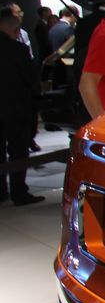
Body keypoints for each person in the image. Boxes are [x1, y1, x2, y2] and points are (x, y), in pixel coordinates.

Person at [0, 12, 45, 205]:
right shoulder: (18, 49)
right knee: (18, 151)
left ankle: (1, 191)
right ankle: (19, 192)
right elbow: (31, 78)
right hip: (16, 108)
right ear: (15, 29)